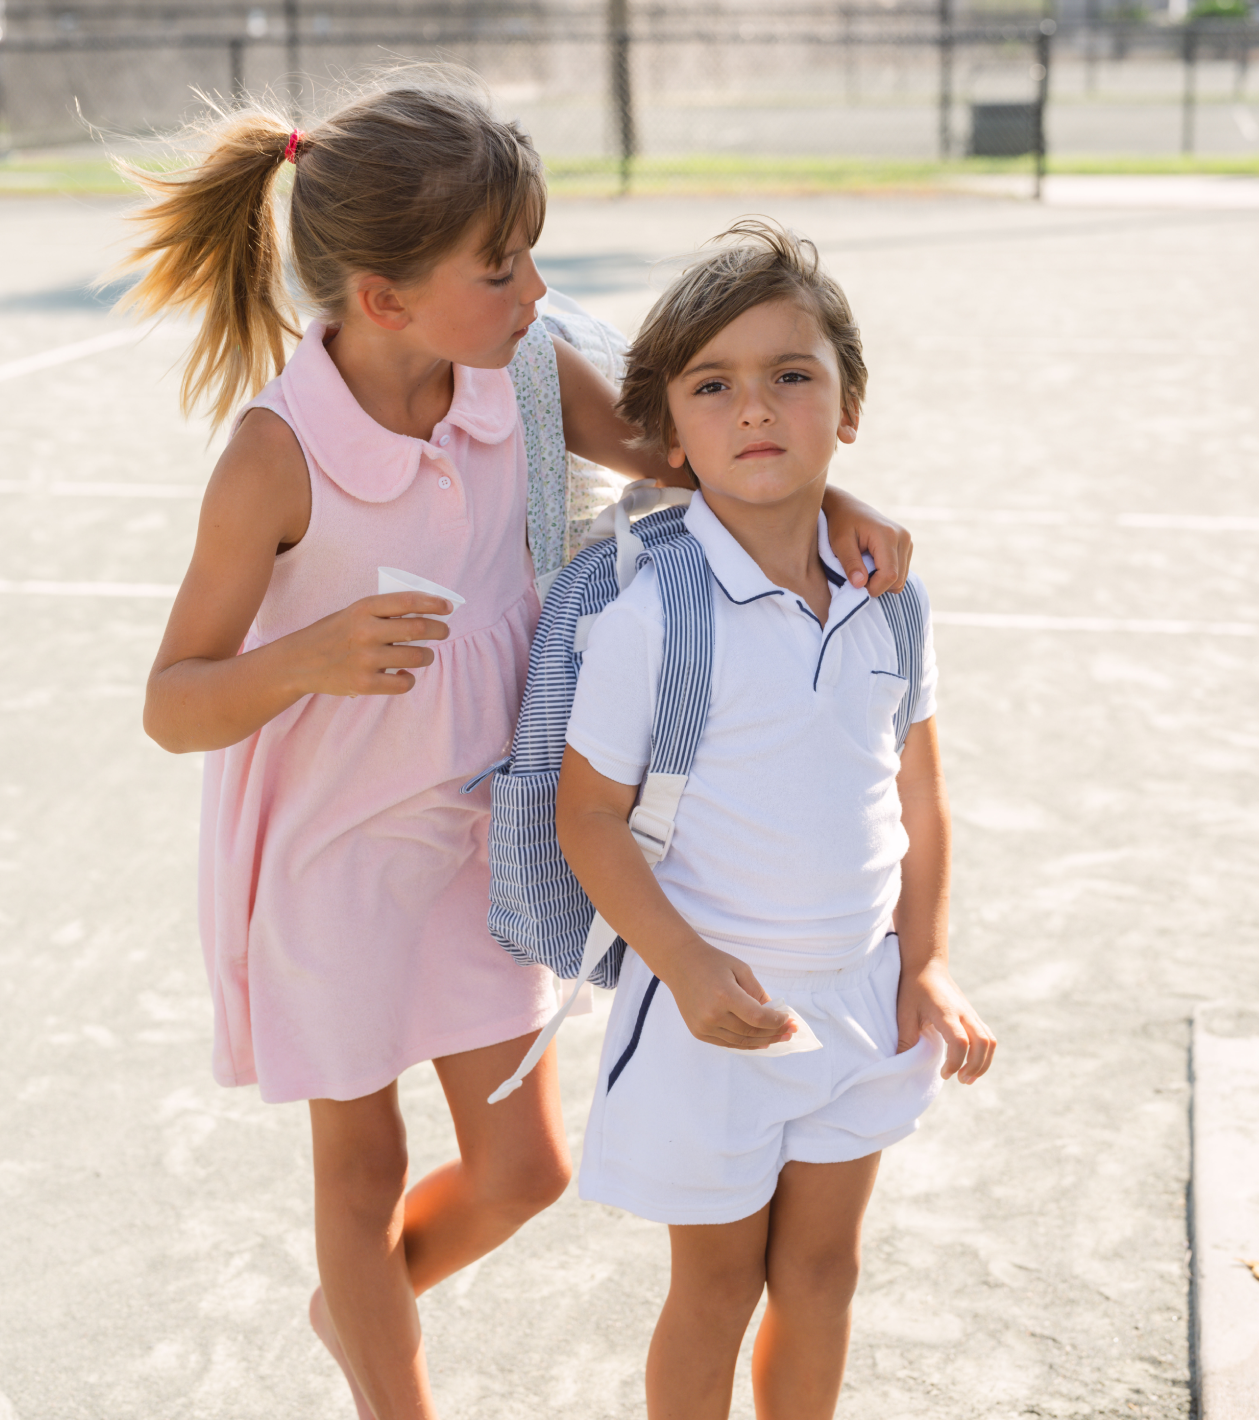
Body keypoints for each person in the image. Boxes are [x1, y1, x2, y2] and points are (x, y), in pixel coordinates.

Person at [121, 78, 917, 1420]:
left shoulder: (522, 371)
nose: (538, 286)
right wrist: (308, 659)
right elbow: (172, 701)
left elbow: (689, 456)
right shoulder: (275, 456)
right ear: (385, 300)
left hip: (492, 839)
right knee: (359, 1178)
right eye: (503, 266)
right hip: (331, 856)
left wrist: (826, 487)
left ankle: (357, 1308)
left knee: (521, 1174)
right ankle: (393, 1386)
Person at [556, 219, 997, 1420]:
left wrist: (932, 958)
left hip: (863, 1002)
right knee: (714, 1290)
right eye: (714, 385)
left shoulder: (889, 601)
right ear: (673, 435)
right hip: (712, 1017)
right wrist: (687, 967)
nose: (755, 408)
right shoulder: (653, 613)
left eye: (790, 375)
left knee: (822, 1272)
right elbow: (585, 816)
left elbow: (918, 795)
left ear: (846, 406)